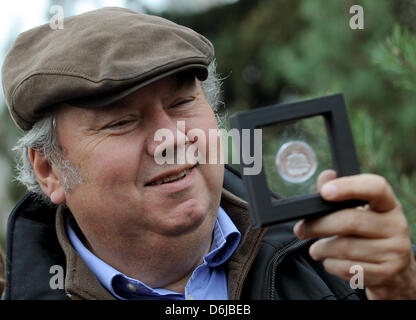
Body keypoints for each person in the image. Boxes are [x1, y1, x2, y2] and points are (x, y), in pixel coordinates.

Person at [1, 7, 415, 300]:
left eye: (182, 103)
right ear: (49, 168)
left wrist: (400, 292)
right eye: (122, 121)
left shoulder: (337, 256)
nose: (171, 138)